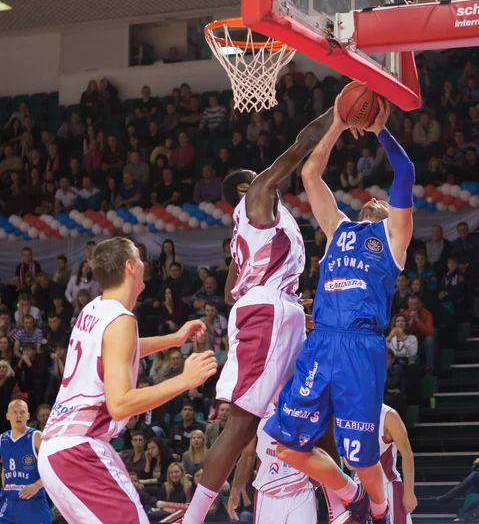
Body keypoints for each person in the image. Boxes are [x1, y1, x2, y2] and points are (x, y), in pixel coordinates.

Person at [182, 104, 336, 524]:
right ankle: (194, 518)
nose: (267, 180)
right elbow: (298, 148)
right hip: (268, 313)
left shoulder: (250, 229)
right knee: (242, 426)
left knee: (310, 408)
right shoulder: (255, 195)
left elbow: (233, 291)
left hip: (275, 311)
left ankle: (344, 505)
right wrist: (336, 115)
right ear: (245, 188)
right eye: (257, 178)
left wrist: (281, 298)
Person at [265, 97, 414, 524]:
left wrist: (380, 129)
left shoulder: (394, 240)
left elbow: (404, 173)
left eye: (385, 203)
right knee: (286, 447)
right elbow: (310, 173)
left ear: (391, 215)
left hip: (360, 348)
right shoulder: (338, 228)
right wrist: (338, 121)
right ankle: (352, 498)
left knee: (360, 454)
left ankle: (380, 510)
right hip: (322, 342)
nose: (377, 201)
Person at [37, 237, 217, 524]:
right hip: (79, 448)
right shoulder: (120, 320)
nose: (146, 264)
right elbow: (120, 405)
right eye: (140, 258)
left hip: (57, 449)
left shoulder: (95, 308)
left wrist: (174, 339)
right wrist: (185, 380)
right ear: (131, 267)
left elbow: (121, 350)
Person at [227, 403, 321, 524]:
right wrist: (235, 490)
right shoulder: (258, 409)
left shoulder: (304, 403)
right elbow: (247, 455)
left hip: (302, 489)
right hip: (268, 491)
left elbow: (322, 447)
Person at [0, 399, 52, 524]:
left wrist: (37, 485)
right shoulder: (2, 439)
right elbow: (4, 469)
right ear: (8, 416)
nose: (18, 415)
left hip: (33, 503)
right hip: (9, 504)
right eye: (15, 412)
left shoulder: (36, 436)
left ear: (28, 415)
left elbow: (52, 467)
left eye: (22, 412)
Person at [370, 405, 417, 523]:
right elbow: (348, 463)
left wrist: (409, 492)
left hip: (387, 486)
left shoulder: (388, 415)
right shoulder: (350, 414)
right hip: (361, 487)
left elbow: (407, 454)